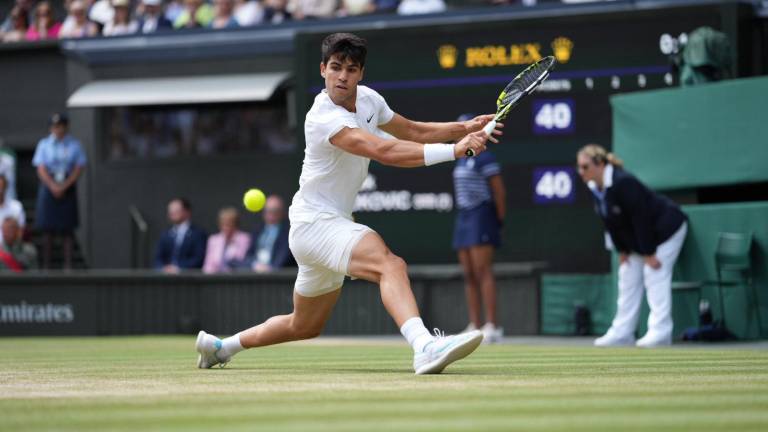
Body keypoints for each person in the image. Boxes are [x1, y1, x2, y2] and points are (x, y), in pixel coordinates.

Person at [196, 33, 502, 375]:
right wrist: (457, 150)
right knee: (390, 264)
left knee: (304, 325)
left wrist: (463, 128)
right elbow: (383, 151)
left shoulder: (370, 100)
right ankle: (424, 346)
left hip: (316, 228)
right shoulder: (323, 117)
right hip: (316, 223)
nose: (342, 76)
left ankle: (220, 348)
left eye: (351, 69)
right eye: (336, 67)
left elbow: (412, 131)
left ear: (361, 74)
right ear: (324, 69)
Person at [577, 144, 688, 348]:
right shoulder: (594, 187)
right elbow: (610, 221)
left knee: (654, 273)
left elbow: (640, 217)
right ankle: (622, 333)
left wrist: (648, 253)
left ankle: (660, 332)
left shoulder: (623, 182)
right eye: (579, 167)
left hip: (667, 229)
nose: (581, 172)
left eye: (585, 167)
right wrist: (622, 250)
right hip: (641, 239)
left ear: (600, 164)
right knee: (627, 274)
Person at [452, 125, 506, 344]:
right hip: (464, 217)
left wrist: (497, 220)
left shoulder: (486, 158)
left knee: (483, 271)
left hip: (481, 215)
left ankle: (492, 325)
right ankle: (474, 325)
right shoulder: (460, 157)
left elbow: (499, 192)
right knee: (469, 274)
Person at [33, 113, 87, 270]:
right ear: (51, 128)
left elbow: (79, 167)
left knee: (67, 229)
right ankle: (46, 266)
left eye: (61, 126)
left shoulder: (74, 145)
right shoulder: (44, 144)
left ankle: (68, 266)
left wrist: (65, 185)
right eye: (55, 126)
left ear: (66, 127)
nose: (59, 129)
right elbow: (40, 167)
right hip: (49, 185)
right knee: (47, 229)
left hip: (67, 185)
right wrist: (52, 186)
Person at [154, 197, 208, 274]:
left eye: (176, 211)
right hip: (165, 278)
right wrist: (163, 268)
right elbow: (158, 258)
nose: (172, 213)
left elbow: (199, 258)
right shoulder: (165, 235)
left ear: (187, 212)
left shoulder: (198, 234)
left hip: (189, 279)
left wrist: (178, 268)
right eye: (170, 211)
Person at [246, 194, 293, 273]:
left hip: (276, 275)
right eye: (268, 211)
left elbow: (284, 255)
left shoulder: (288, 232)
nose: (271, 215)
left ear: (281, 213)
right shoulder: (257, 231)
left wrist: (271, 268)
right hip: (255, 273)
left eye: (275, 211)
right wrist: (254, 265)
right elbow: (249, 255)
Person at [202, 207, 250, 274]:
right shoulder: (213, 240)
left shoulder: (244, 239)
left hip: (235, 279)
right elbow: (207, 265)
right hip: (214, 279)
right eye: (223, 224)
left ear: (235, 224)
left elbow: (240, 260)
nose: (226, 227)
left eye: (229, 224)